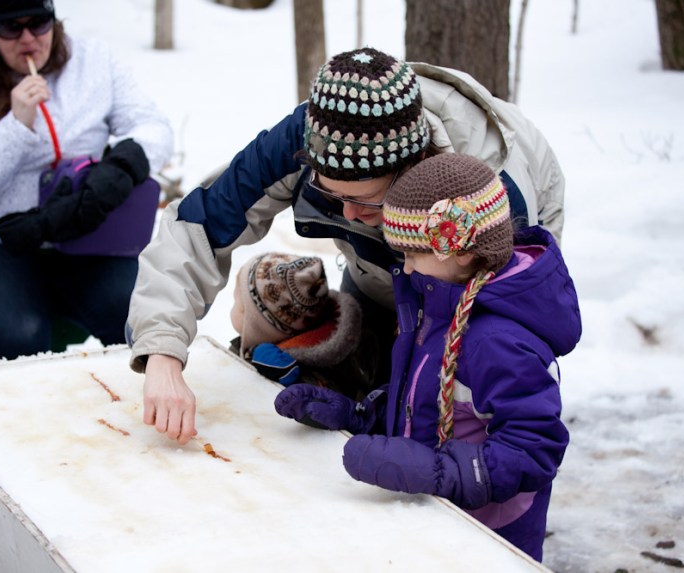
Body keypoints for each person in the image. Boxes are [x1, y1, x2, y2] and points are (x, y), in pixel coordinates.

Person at [127, 46, 564, 444]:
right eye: (332, 195)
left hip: (477, 264)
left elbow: (518, 319)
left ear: (410, 169)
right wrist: (162, 352)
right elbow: (196, 227)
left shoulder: (487, 190)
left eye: (363, 199)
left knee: (451, 394)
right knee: (367, 373)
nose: (348, 214)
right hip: (377, 266)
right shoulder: (313, 136)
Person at [274, 153, 582, 561]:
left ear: (461, 251)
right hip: (432, 524)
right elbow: (429, 400)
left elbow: (534, 450)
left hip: (486, 537)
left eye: (413, 255)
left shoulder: (497, 341)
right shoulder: (438, 306)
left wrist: (434, 471)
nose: (406, 268)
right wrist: (359, 415)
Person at [0, 0, 173, 363]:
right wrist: (16, 126)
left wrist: (121, 167)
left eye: (39, 24)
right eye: (11, 27)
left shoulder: (93, 62)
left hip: (85, 235)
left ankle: (131, 413)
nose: (28, 38)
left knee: (143, 319)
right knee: (19, 337)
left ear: (54, 22)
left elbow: (154, 128)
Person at [229, 252, 372, 395]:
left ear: (263, 327)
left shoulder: (298, 368)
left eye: (239, 305)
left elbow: (326, 402)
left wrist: (295, 382)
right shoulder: (257, 344)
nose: (232, 307)